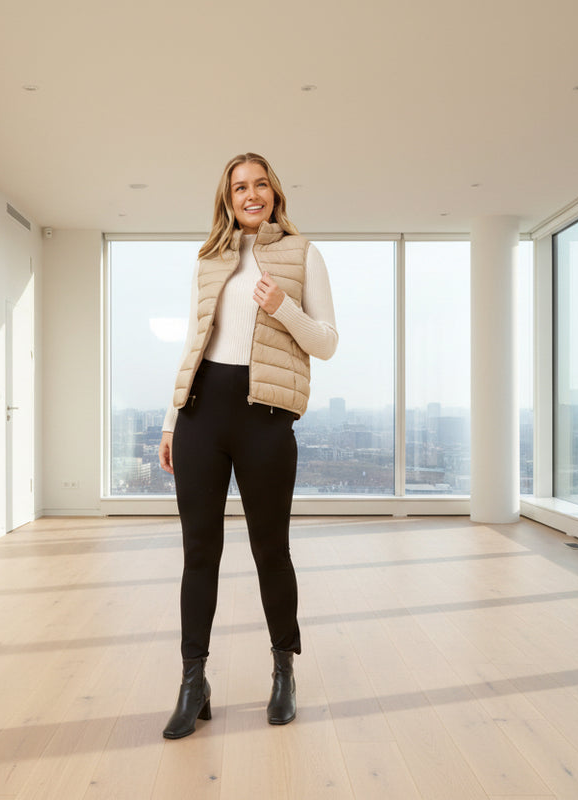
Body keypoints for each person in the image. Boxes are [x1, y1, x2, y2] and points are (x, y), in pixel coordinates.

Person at [158, 153, 338, 739]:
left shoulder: (304, 253)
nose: (251, 194)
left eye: (261, 184)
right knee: (199, 552)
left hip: (265, 415)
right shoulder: (210, 258)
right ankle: (193, 681)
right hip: (202, 409)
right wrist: (170, 421)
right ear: (228, 198)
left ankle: (284, 671)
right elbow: (193, 340)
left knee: (270, 551)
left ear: (275, 192)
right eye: (240, 187)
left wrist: (281, 305)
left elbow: (328, 343)